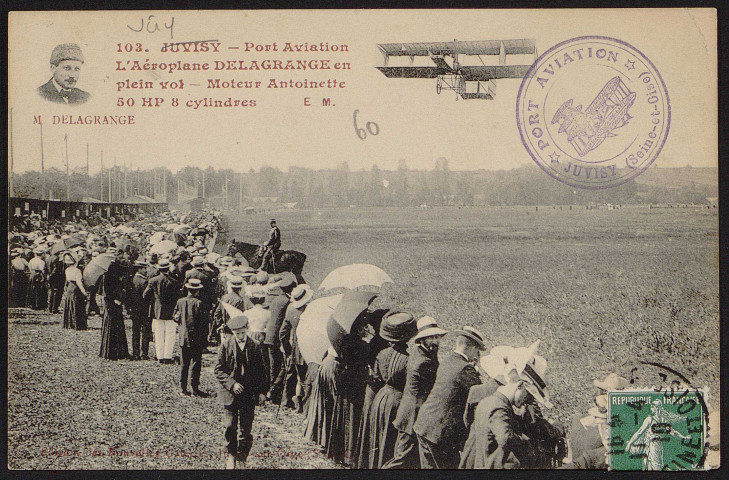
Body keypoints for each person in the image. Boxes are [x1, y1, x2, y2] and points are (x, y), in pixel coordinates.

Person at [459, 354, 553, 469]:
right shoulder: (498, 406)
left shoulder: (487, 402)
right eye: (528, 395)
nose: (526, 402)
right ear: (520, 386)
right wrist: (529, 444)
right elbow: (506, 437)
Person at [413, 326, 485, 469]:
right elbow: (480, 394)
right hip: (441, 433)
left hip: (424, 425)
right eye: (477, 351)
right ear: (471, 348)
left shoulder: (447, 361)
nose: (477, 355)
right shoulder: (465, 369)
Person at [382, 316, 448, 469]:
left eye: (437, 337)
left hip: (408, 411)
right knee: (401, 458)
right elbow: (436, 383)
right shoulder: (424, 362)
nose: (436, 341)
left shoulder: (420, 352)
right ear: (422, 339)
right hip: (412, 415)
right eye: (431, 337)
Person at [362, 311, 418, 468]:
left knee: (378, 435)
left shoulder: (382, 354)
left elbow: (376, 377)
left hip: (380, 398)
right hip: (397, 401)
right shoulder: (409, 359)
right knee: (391, 438)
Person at [214, 314, 269, 469]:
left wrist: (261, 392)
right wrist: (232, 384)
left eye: (243, 333)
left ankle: (242, 456)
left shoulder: (255, 346)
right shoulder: (226, 345)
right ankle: (231, 454)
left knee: (246, 428)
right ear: (233, 333)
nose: (240, 337)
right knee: (230, 425)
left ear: (247, 330)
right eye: (237, 334)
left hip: (248, 394)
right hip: (230, 394)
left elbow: (261, 372)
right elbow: (218, 370)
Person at [279, 283, 314, 411]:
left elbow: (282, 333)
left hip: (296, 348)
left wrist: (288, 350)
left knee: (296, 376)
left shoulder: (290, 309)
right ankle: (304, 404)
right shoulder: (309, 311)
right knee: (306, 378)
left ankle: (291, 401)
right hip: (308, 347)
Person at [263, 275, 296, 404]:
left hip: (270, 335)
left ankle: (272, 392)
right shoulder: (288, 302)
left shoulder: (276, 299)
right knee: (282, 366)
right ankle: (274, 391)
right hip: (278, 337)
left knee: (273, 366)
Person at [174, 278, 209, 396]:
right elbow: (204, 323)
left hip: (183, 336)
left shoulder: (180, 301)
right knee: (196, 363)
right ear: (197, 291)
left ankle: (183, 388)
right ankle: (195, 388)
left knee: (184, 364)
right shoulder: (199, 303)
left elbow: (175, 317)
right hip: (196, 337)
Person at [143, 258, 181, 363]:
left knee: (158, 334)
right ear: (168, 269)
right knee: (170, 334)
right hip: (170, 310)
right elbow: (178, 296)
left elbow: (145, 295)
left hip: (157, 310)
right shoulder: (174, 282)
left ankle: (159, 356)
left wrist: (153, 300)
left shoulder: (153, 281)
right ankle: (167, 356)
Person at [99, 260, 129, 360]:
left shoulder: (106, 277)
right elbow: (110, 293)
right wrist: (117, 299)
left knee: (111, 327)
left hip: (110, 305)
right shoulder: (110, 278)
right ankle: (117, 352)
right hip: (113, 305)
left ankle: (110, 351)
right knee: (115, 327)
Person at [212, 275, 247, 345]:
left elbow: (217, 313)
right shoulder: (240, 300)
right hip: (234, 329)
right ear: (240, 288)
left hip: (224, 329)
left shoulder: (224, 297)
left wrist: (221, 324)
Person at [127, 261, 152, 360]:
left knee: (135, 331)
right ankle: (144, 353)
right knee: (145, 331)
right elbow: (147, 296)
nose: (145, 270)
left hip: (134, 309)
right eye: (144, 268)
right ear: (139, 269)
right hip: (144, 309)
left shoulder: (131, 280)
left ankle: (135, 352)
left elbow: (127, 296)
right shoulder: (144, 282)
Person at [61, 252, 87, 330]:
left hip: (70, 287)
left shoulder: (67, 270)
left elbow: (67, 280)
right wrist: (84, 291)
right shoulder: (77, 270)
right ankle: (77, 324)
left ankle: (69, 323)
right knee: (76, 305)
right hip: (76, 288)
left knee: (69, 304)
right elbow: (79, 282)